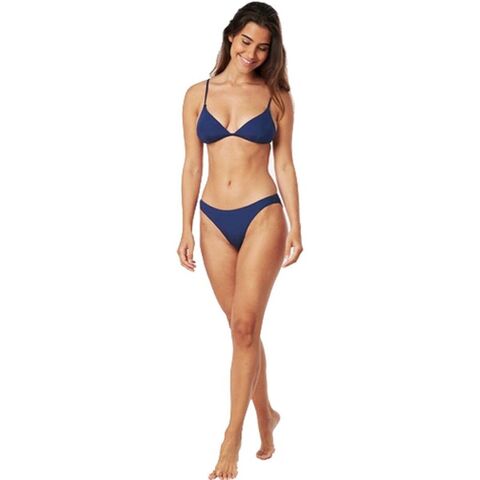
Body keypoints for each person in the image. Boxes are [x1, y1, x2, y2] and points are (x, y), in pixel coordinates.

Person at [177, 2, 303, 479]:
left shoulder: (277, 97)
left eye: (263, 47)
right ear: (231, 36)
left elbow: (284, 163)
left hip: (262, 214)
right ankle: (267, 414)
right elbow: (192, 164)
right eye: (246, 41)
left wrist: (297, 224)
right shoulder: (197, 94)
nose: (252, 53)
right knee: (239, 329)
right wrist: (185, 227)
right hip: (212, 220)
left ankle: (233, 435)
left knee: (246, 326)